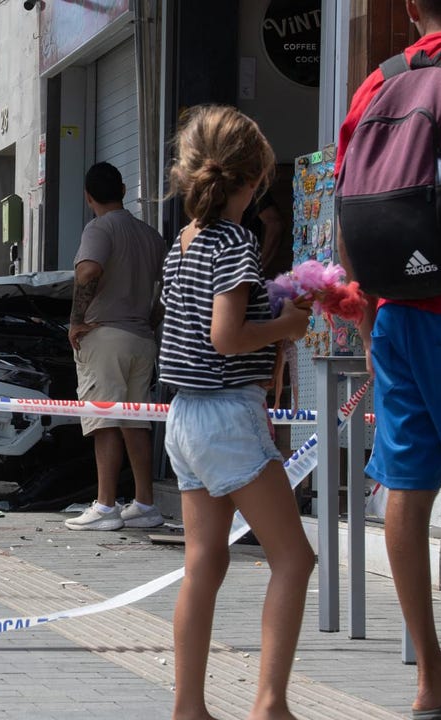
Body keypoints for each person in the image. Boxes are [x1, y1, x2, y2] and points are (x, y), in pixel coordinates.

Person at [337, 2, 441, 717]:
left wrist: (374, 314)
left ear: (408, 7)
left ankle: (432, 678)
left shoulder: (374, 86)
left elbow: (349, 212)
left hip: (399, 314)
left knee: (408, 484)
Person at [160, 106, 314, 720]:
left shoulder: (185, 241)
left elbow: (195, 332)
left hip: (185, 418)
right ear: (252, 181)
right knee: (295, 559)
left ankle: (188, 708)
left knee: (205, 562)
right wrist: (286, 325)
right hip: (225, 416)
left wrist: (267, 341)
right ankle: (270, 705)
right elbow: (225, 336)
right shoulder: (237, 242)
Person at [64, 162, 166, 531]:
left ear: (88, 197)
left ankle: (106, 506)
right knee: (134, 423)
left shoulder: (98, 228)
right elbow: (170, 287)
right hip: (141, 339)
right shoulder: (150, 235)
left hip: (105, 336)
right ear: (123, 191)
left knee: (104, 420)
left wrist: (76, 320)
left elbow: (88, 270)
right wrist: (149, 319)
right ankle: (145, 504)